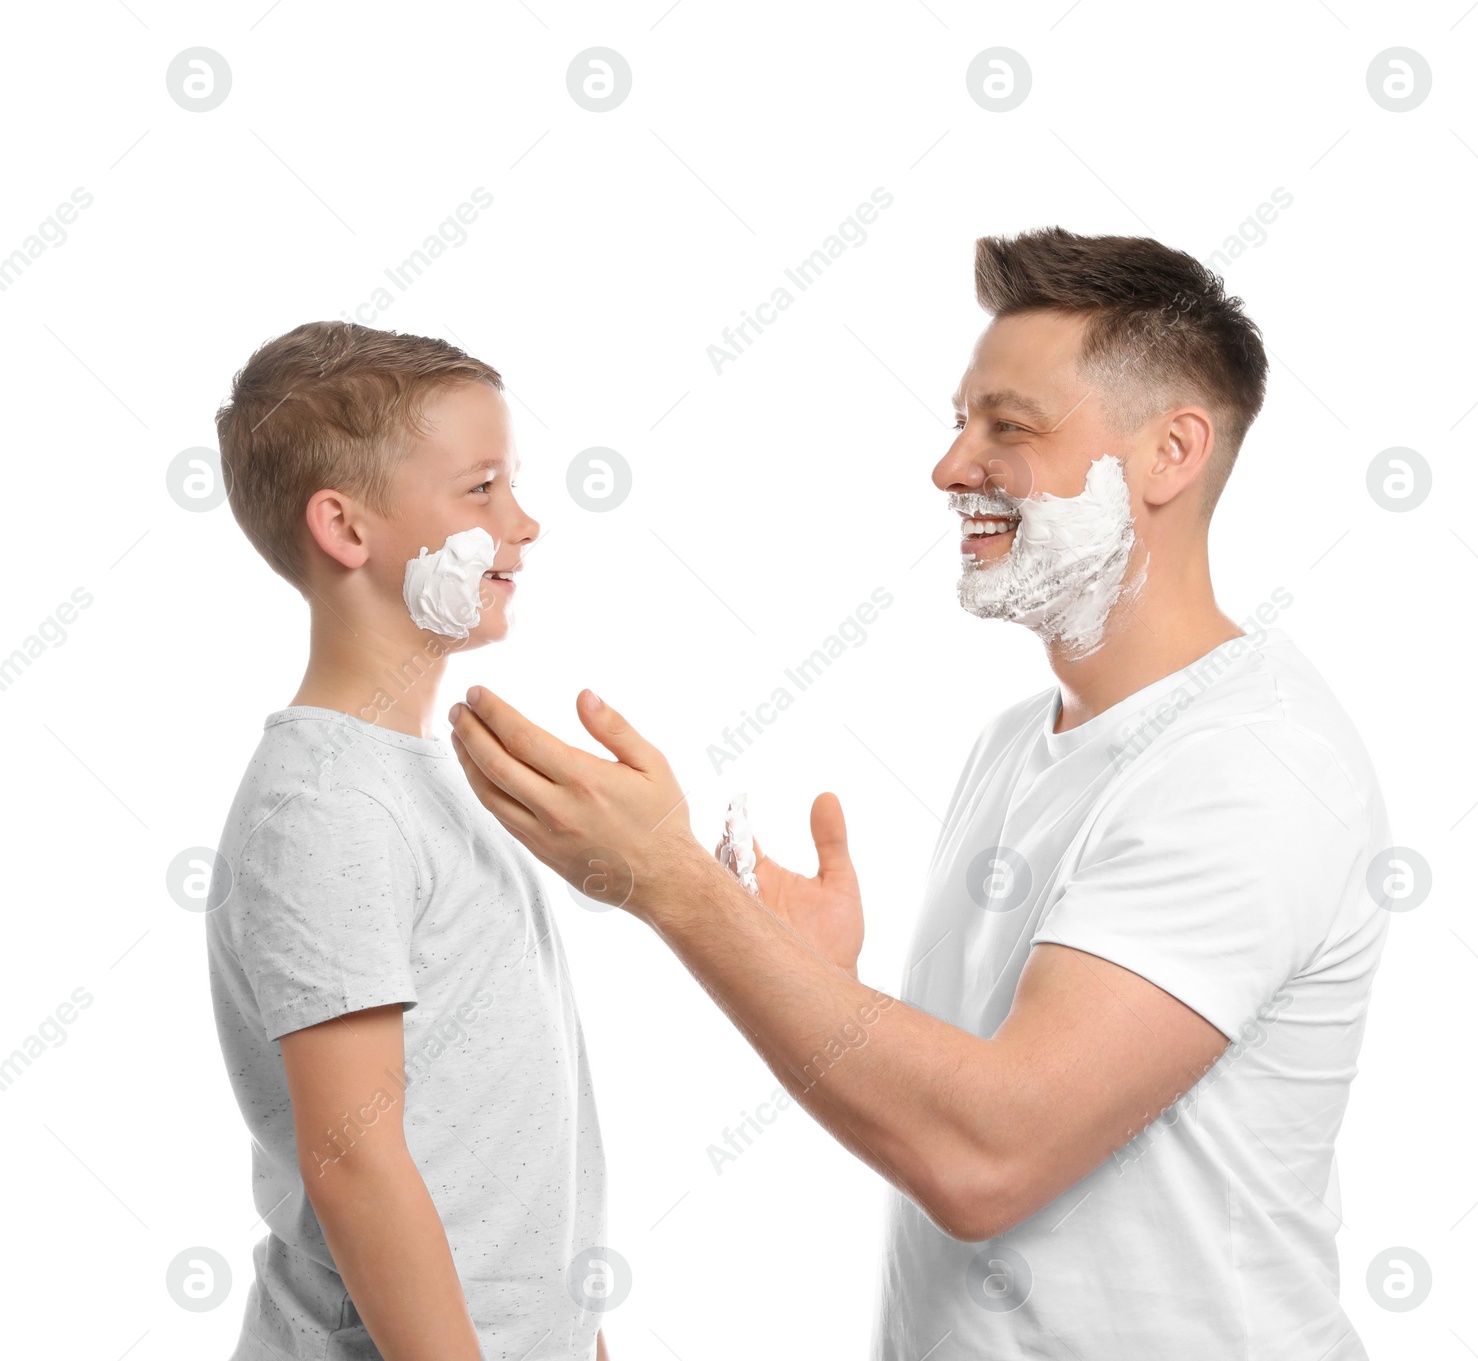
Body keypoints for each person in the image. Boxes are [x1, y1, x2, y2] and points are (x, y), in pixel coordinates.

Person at [447, 228, 1392, 1358]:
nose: (951, 468)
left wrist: (676, 889)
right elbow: (963, 1102)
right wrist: (802, 969)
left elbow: (986, 1155)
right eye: (959, 422)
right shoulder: (1020, 742)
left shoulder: (1247, 764)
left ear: (1168, 454)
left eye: (1010, 426)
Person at [205, 322, 608, 1360]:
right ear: (345, 526)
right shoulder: (327, 804)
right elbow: (356, 1159)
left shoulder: (415, 778)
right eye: (481, 489)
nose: (524, 522)